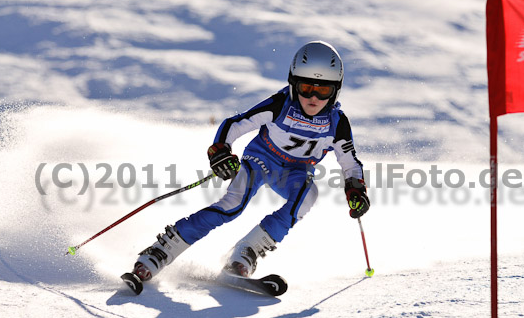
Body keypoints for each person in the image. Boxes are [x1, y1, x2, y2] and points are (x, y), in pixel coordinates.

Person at [131, 41, 370, 281]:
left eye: (323, 90)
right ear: (293, 83)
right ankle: (162, 250)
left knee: (307, 195)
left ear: (336, 90)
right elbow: (235, 124)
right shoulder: (280, 105)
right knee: (233, 205)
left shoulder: (337, 124)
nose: (314, 97)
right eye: (306, 87)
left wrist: (356, 190)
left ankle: (247, 253)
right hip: (261, 160)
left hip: (295, 172)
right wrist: (221, 151)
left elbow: (350, 162)